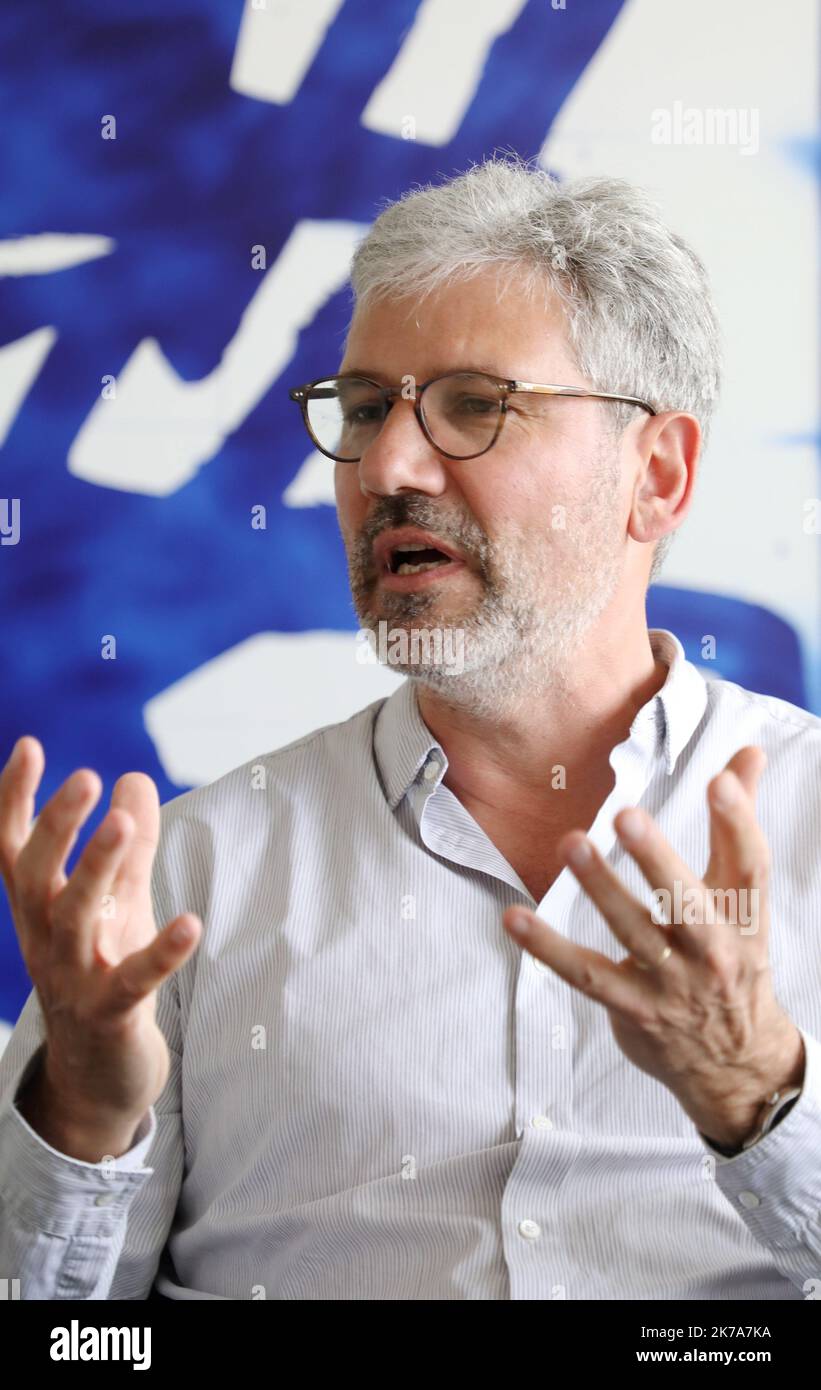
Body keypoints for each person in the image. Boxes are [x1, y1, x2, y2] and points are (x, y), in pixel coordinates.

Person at [1, 155, 819, 1301]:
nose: (385, 464)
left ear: (656, 474)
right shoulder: (188, 881)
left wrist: (759, 1098)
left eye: (474, 405)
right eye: (368, 407)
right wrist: (82, 1113)